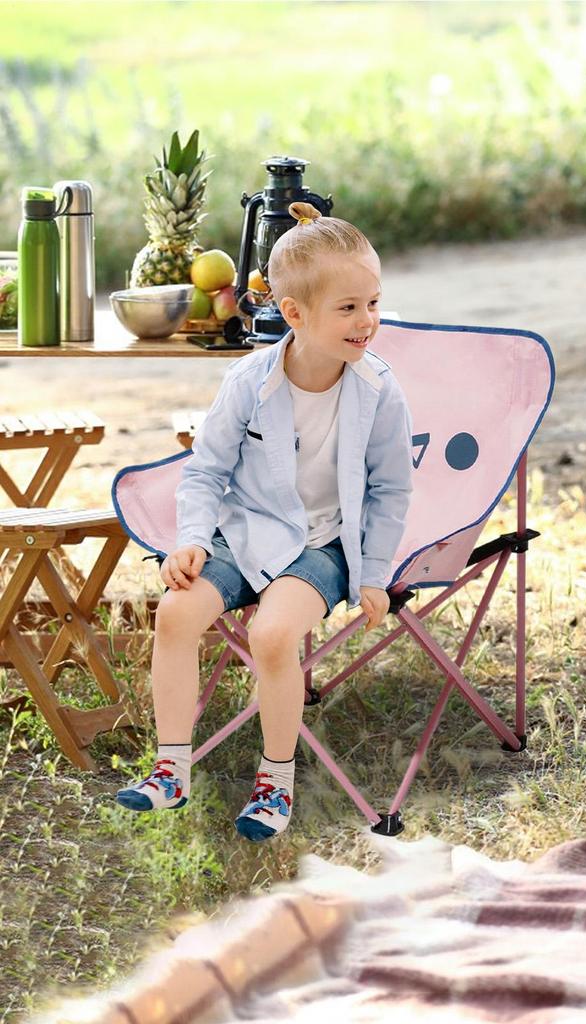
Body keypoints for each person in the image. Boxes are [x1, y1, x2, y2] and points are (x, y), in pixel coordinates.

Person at [115, 202, 413, 841]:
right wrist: (192, 540)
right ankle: (171, 769)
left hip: (324, 543)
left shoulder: (379, 389)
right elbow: (205, 470)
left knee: (274, 636)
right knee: (175, 613)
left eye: (372, 303)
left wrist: (374, 574)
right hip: (244, 530)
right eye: (348, 307)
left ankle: (275, 781)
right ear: (295, 314)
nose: (367, 321)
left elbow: (391, 490)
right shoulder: (249, 379)